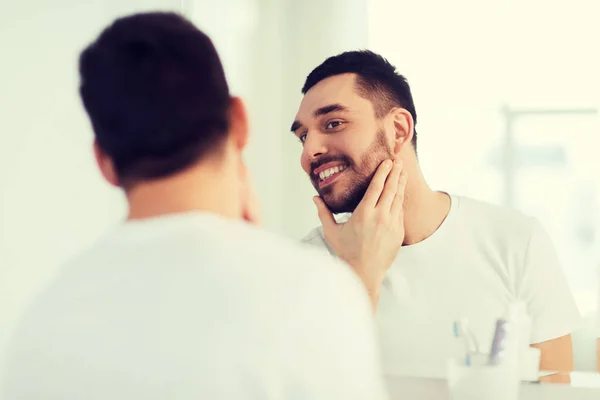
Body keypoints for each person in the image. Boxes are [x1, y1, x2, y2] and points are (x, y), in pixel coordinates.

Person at [0, 14, 392, 399]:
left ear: (104, 162)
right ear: (239, 120)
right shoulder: (310, 295)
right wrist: (356, 287)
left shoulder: (42, 325)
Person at [290, 50, 582, 378]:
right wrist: (361, 275)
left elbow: (558, 390)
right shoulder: (303, 266)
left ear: (399, 130)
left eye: (333, 123)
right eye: (303, 136)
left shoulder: (517, 241)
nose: (308, 152)